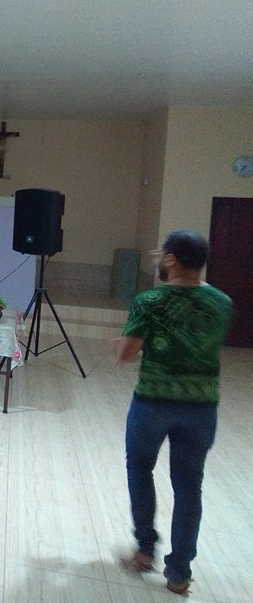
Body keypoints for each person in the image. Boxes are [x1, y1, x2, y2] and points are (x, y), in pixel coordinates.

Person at [113, 231, 232, 595]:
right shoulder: (222, 302)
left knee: (140, 468)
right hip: (201, 407)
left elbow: (126, 356)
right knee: (189, 485)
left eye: (162, 255)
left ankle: (144, 551)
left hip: (153, 403)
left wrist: (124, 344)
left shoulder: (149, 301)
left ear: (171, 260)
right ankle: (179, 573)